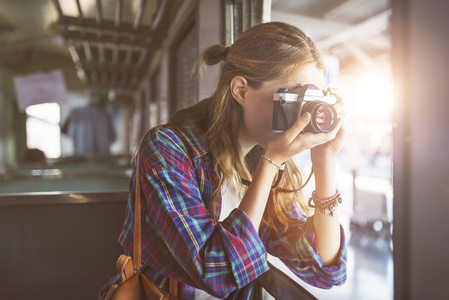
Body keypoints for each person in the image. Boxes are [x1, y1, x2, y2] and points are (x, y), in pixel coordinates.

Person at [100, 21, 347, 300]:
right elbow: (215, 274)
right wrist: (271, 162)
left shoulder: (268, 161)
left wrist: (325, 161)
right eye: (292, 97)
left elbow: (325, 270)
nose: (303, 114)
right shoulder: (166, 149)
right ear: (241, 90)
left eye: (310, 100)